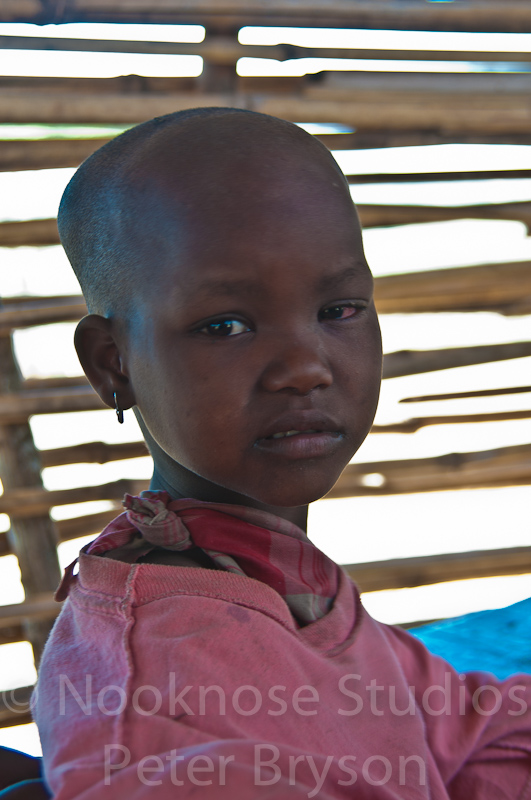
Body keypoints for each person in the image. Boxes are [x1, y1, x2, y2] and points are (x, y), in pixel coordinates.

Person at [33, 108, 531, 799]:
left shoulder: (281, 580)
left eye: (339, 310)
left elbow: (472, 730)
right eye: (225, 325)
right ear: (113, 363)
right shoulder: (162, 693)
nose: (304, 366)